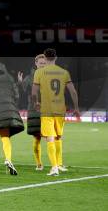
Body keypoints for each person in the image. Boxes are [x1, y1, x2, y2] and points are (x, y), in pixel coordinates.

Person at [32, 48, 80, 176]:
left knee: (50, 138)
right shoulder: (64, 72)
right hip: (60, 110)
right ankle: (59, 164)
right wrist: (76, 108)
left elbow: (34, 92)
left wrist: (36, 103)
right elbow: (73, 91)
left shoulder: (39, 72)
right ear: (56, 57)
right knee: (58, 137)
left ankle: (54, 167)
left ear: (45, 58)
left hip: (47, 110)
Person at [17, 54, 47, 170]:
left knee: (53, 136)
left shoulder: (50, 76)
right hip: (34, 110)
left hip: (48, 109)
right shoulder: (30, 77)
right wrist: (20, 83)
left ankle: (57, 163)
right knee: (37, 137)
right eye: (41, 63)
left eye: (44, 63)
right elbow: (23, 90)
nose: (43, 65)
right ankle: (39, 163)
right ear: (36, 63)